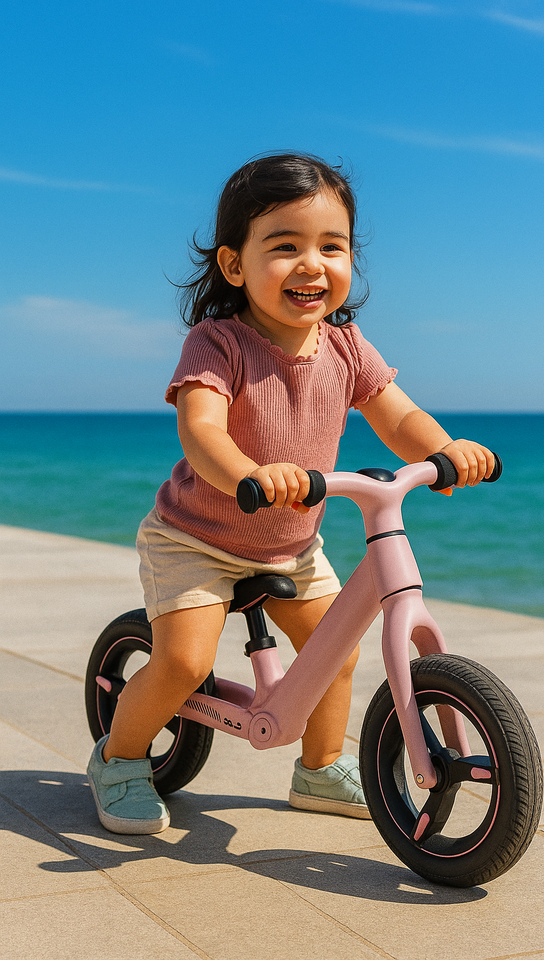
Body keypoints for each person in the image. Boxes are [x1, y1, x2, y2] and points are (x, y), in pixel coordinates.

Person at [87, 153, 495, 834]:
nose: (312, 264)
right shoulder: (217, 344)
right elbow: (202, 431)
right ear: (235, 265)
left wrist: (442, 448)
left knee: (338, 653)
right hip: (198, 537)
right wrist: (250, 471)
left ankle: (320, 769)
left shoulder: (346, 347)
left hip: (291, 544)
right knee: (185, 661)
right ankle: (120, 758)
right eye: (285, 247)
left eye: (331, 247)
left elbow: (397, 413)